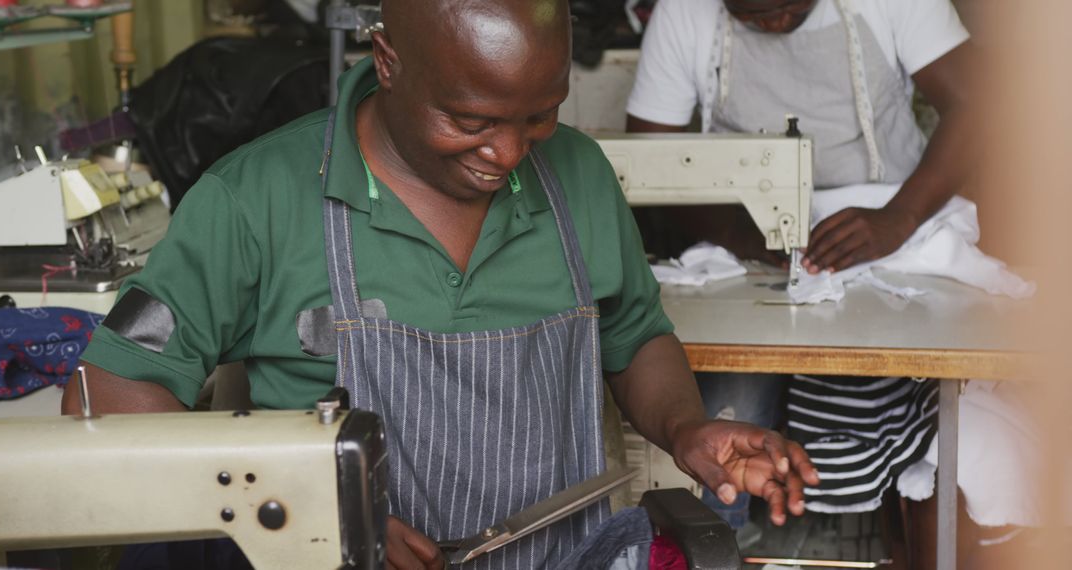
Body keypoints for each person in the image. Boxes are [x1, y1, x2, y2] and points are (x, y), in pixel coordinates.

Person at [63, 0, 820, 568]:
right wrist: (315, 507)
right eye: (469, 120)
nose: (509, 152)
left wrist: (688, 429)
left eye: (540, 115)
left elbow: (634, 336)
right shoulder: (256, 199)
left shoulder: (579, 178)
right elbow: (110, 392)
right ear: (388, 61)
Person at [625, 0, 974, 563]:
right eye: (752, 16)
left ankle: (885, 528)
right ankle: (721, 545)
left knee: (919, 395)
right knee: (725, 405)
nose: (774, 26)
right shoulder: (684, 13)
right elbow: (651, 156)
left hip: (893, 228)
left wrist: (901, 217)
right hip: (748, 237)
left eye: (787, 8)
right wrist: (744, 237)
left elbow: (980, 105)